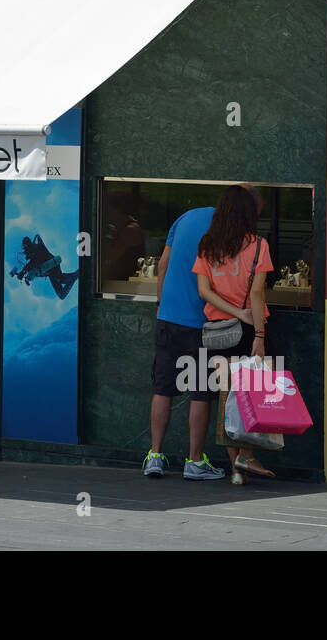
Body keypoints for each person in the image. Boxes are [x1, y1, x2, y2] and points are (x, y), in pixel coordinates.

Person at [192, 185, 276, 485]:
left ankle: (236, 469)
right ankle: (246, 457)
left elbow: (204, 291)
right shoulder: (259, 245)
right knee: (248, 398)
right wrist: (259, 334)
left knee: (227, 398)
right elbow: (256, 292)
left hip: (216, 332)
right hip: (247, 331)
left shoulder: (208, 244)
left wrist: (230, 311)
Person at [142, 203, 227, 481]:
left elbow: (163, 263)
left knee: (163, 389)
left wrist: (160, 302)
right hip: (203, 322)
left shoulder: (184, 217)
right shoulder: (228, 225)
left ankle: (155, 456)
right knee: (201, 392)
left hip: (169, 318)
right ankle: (194, 462)